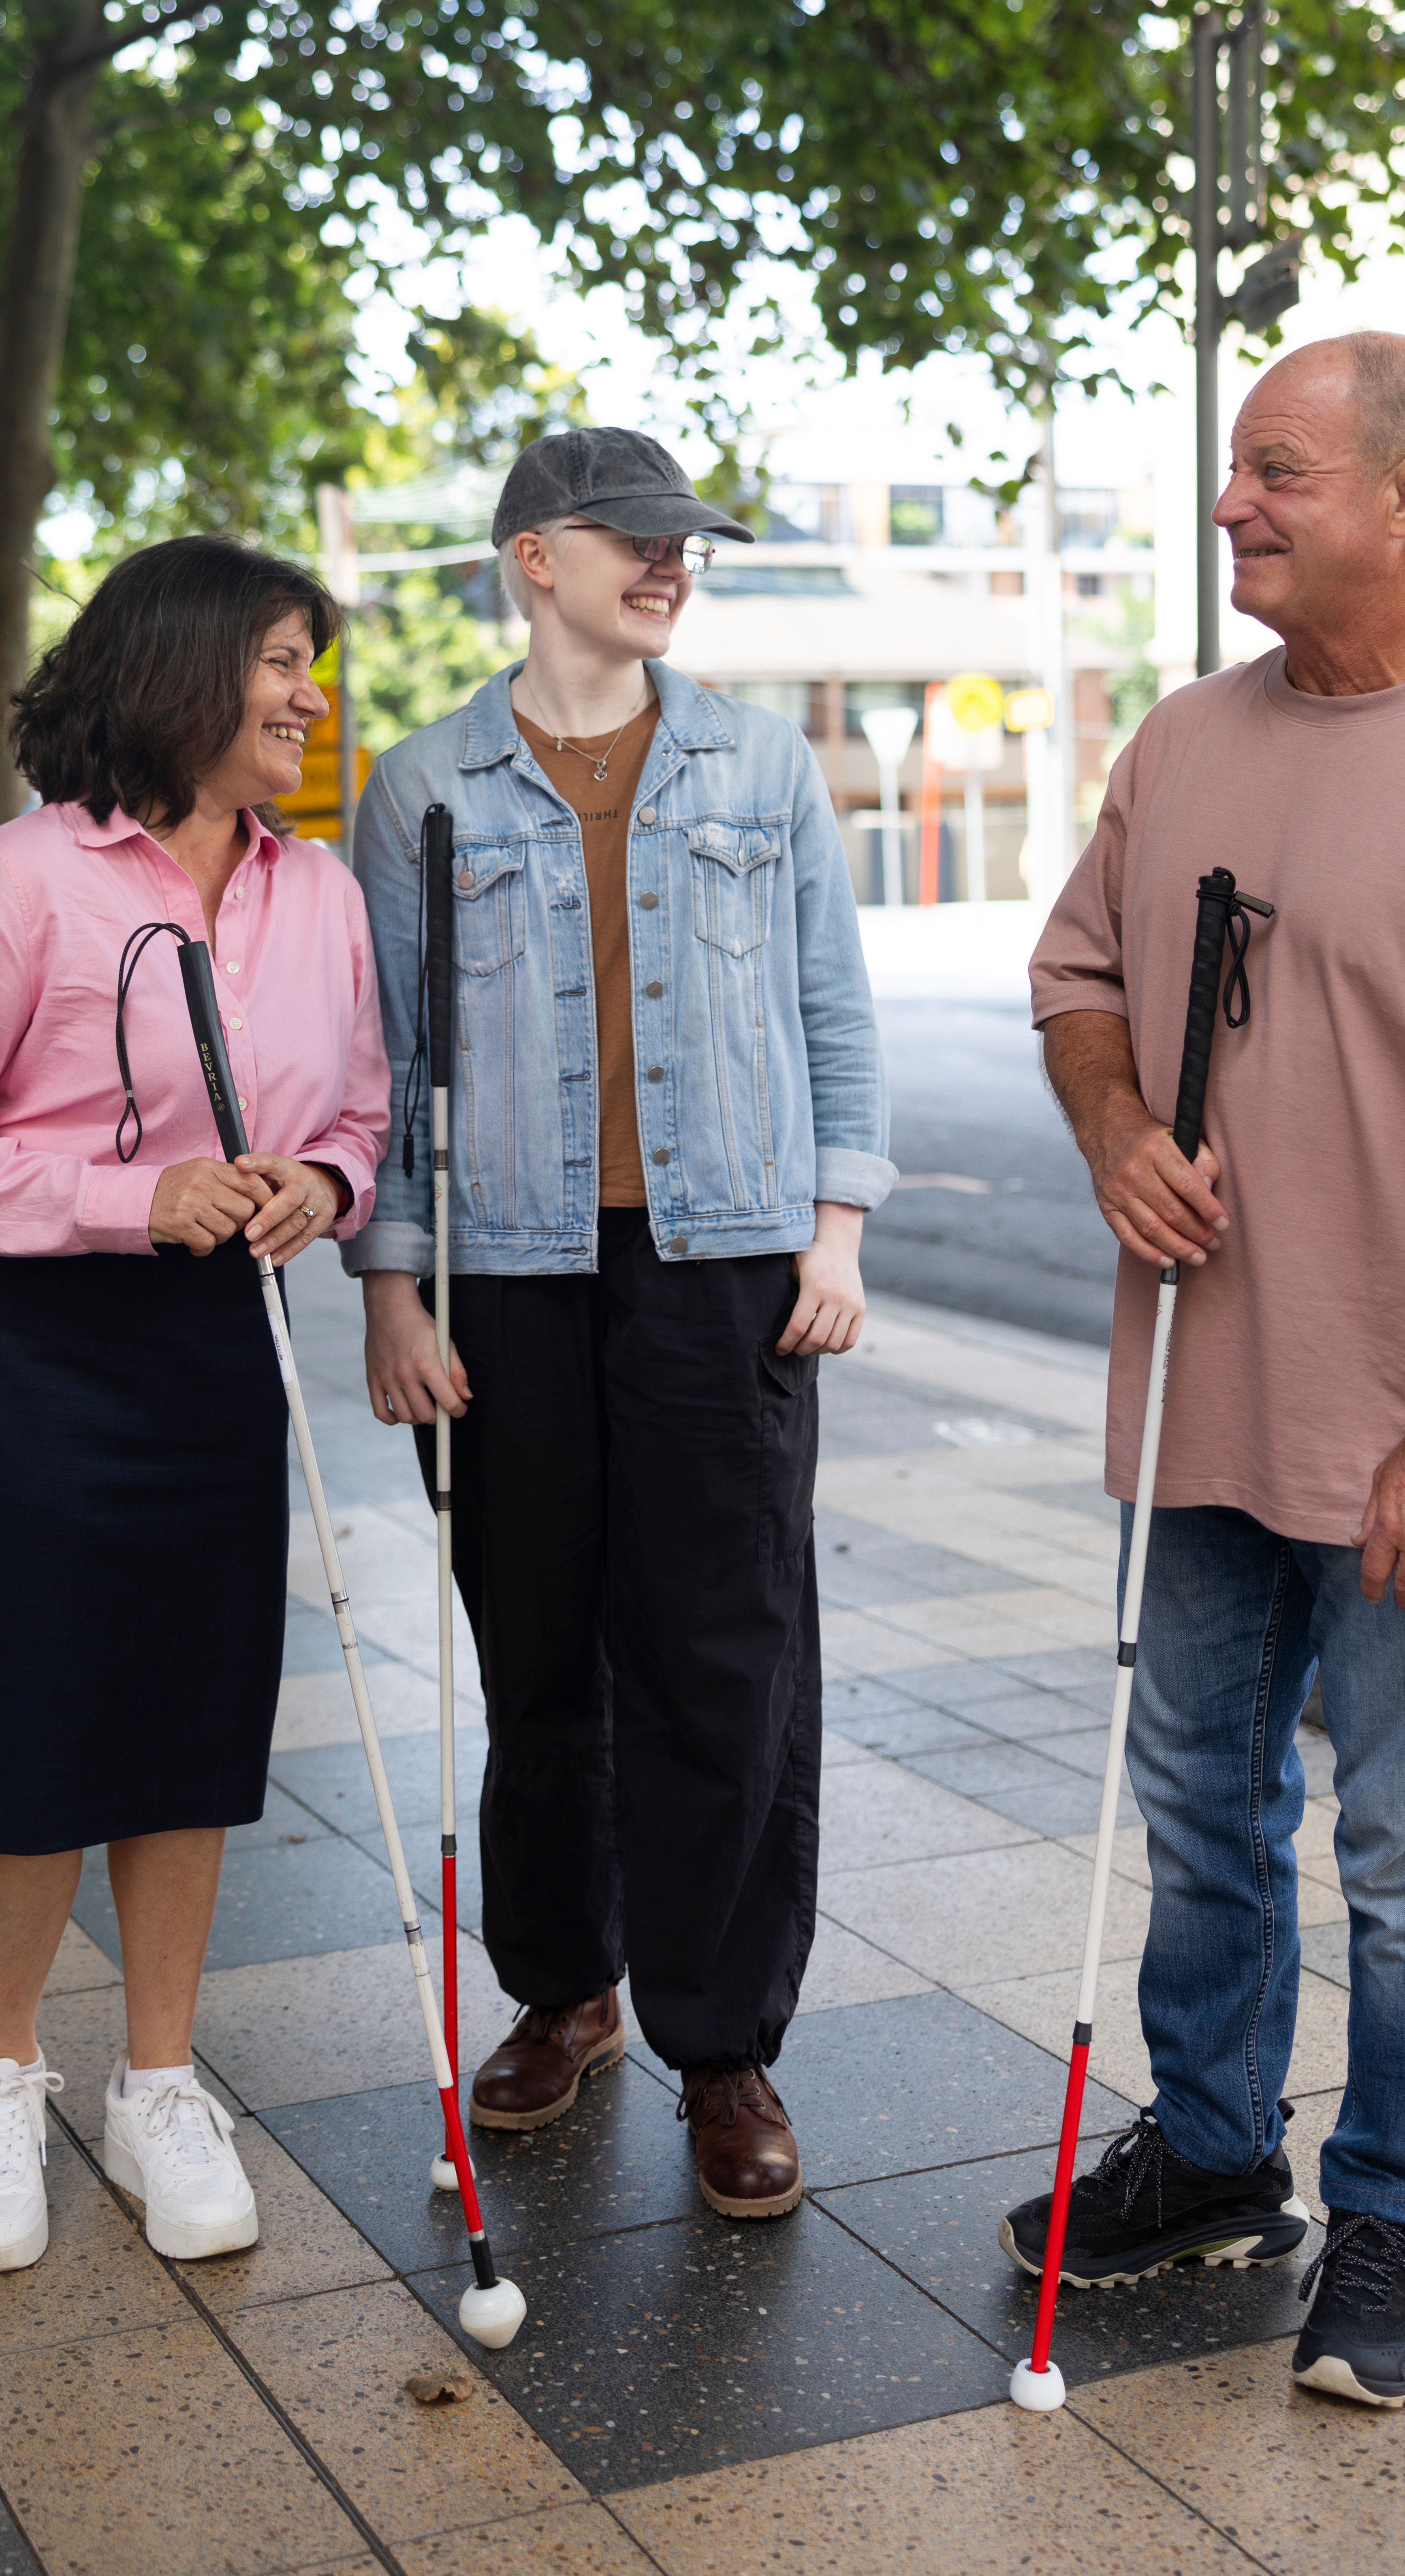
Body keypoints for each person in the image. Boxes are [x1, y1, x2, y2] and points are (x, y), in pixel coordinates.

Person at [1002, 331, 1405, 2406]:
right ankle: (1211, 2155)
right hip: (1196, 1403)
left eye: (1277, 471)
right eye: (1232, 469)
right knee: (1199, 1809)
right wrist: (1117, 1128)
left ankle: (1392, 2210)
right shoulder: (1185, 739)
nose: (1231, 506)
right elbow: (1079, 977)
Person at [344, 425, 895, 2215]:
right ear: (534, 558)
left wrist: (836, 1234)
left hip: (726, 1265)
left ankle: (722, 2038)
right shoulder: (425, 782)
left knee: (724, 1657)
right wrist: (391, 1291)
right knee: (536, 1655)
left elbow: (832, 1006)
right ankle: (564, 1988)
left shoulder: (758, 763)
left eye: (688, 543)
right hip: (504, 1272)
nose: (671, 563)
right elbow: (393, 1064)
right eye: (635, 538)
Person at [0, 537, 387, 2279]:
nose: (313, 696)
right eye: (285, 661)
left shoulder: (326, 894)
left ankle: (161, 2079)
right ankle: (2, 2070)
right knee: (21, 1706)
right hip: (15, 1344)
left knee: (183, 1708)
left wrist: (320, 1179)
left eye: (317, 662)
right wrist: (118, 1197)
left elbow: (360, 1116)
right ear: (184, 672)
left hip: (213, 1349)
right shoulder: (14, 884)